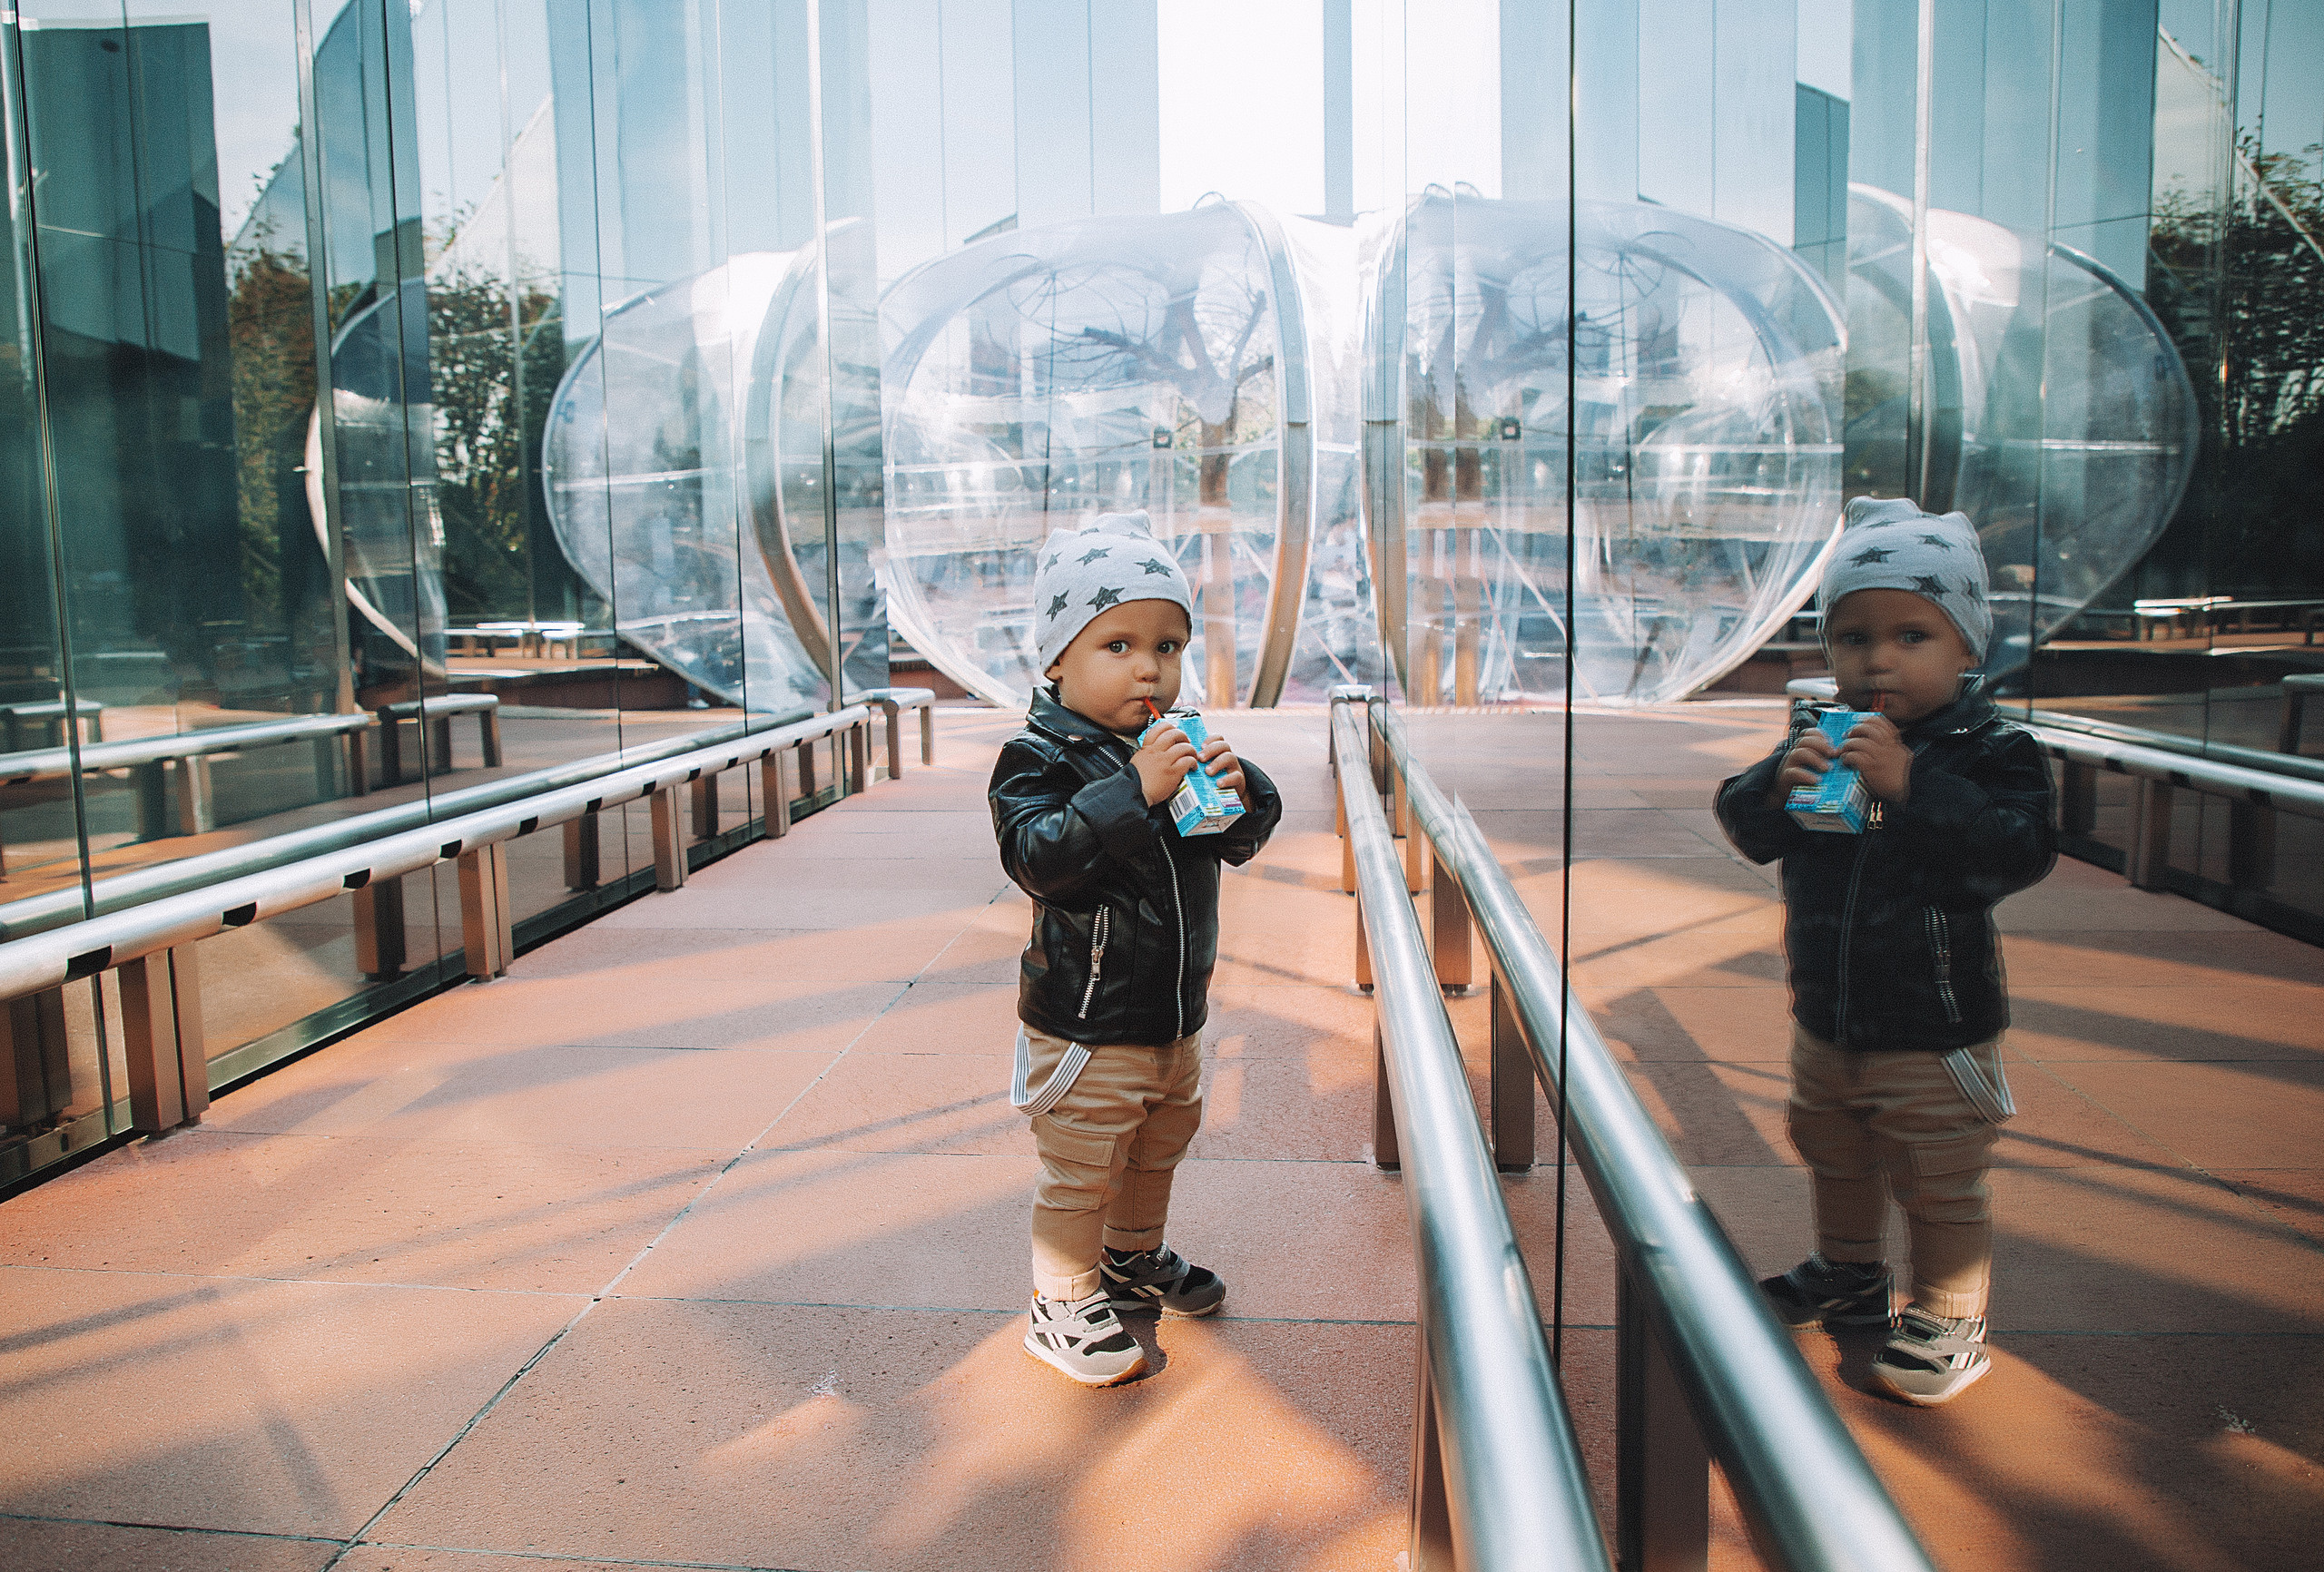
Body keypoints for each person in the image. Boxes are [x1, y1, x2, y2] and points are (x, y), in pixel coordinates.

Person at [1714, 495, 2055, 1406]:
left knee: (1939, 1177)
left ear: (1967, 648)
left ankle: (1949, 1316)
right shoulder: (1821, 737)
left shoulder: (1991, 748)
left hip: (1935, 1029)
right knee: (1834, 1147)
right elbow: (1752, 831)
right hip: (1827, 1016)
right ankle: (1849, 1271)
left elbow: (2017, 850)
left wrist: (1913, 788)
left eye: (1912, 635)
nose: (1877, 659)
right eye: (1854, 637)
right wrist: (1766, 787)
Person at [989, 509, 1283, 1387]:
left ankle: (1129, 1260)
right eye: (1116, 644)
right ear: (1057, 659)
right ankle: (1061, 1302)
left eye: (1168, 643)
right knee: (1081, 1167)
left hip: (1173, 1013)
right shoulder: (1036, 757)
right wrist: (1132, 790)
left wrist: (1242, 790)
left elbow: (1234, 841)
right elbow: (1039, 859)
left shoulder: (1174, 739)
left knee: (1160, 1144)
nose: (1149, 666)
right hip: (1086, 1024)